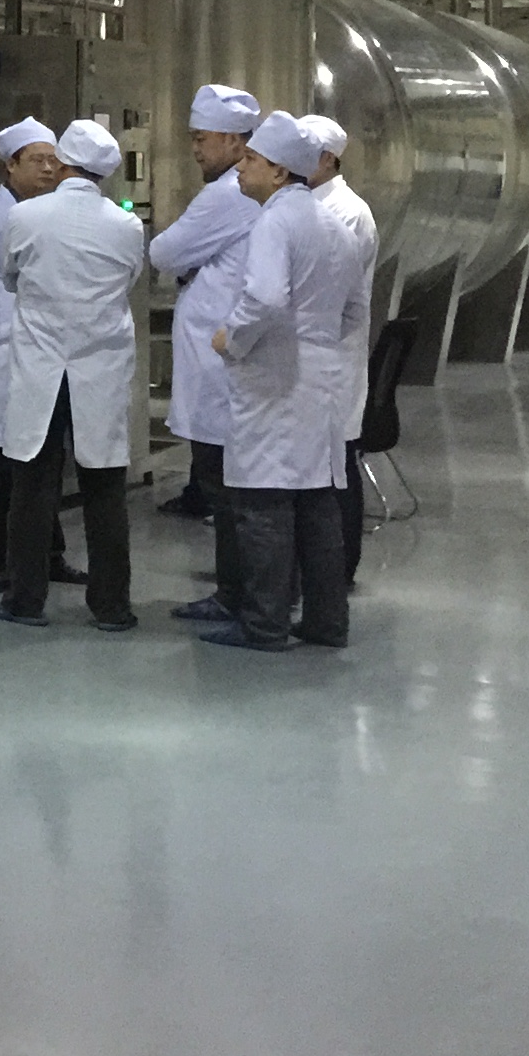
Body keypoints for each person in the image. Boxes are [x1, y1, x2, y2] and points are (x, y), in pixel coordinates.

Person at [195, 110, 368, 652]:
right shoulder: (334, 225)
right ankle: (326, 621)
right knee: (317, 506)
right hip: (321, 381)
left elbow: (266, 299)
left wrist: (232, 339)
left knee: (264, 503)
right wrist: (316, 341)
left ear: (277, 172)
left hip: (275, 380)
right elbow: (356, 310)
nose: (240, 168)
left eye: (250, 159)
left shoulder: (275, 222)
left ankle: (265, 623)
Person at [0, 117, 146, 633]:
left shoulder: (26, 216)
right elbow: (130, 278)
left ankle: (25, 599)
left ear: (62, 163)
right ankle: (112, 606)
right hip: (100, 369)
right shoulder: (126, 226)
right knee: (105, 488)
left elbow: (10, 277)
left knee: (33, 487)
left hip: (42, 370)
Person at [147, 86, 263, 618]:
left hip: (223, 364)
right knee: (234, 488)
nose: (194, 149)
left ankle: (237, 598)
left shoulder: (226, 194)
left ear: (234, 141)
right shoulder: (250, 194)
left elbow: (165, 251)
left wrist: (189, 265)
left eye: (201, 139)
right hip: (232, 361)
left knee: (226, 489)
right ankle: (253, 593)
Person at [0, 119, 76, 591]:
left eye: (53, 161)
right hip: (4, 354)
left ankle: (47, 554)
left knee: (43, 462)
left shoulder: (54, 215)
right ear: (10, 166)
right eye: (37, 160)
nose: (47, 169)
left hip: (48, 356)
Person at [300, 112, 382, 585]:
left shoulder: (347, 211)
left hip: (333, 356)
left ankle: (341, 567)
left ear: (328, 159)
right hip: (316, 357)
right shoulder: (309, 206)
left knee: (338, 466)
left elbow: (324, 291)